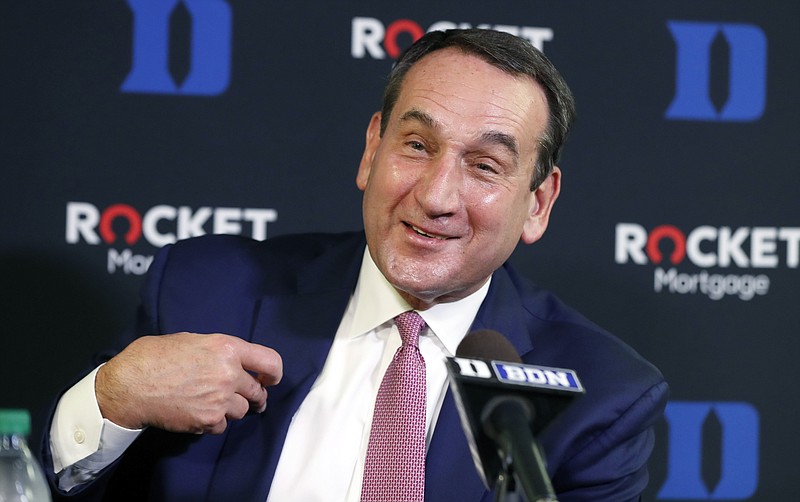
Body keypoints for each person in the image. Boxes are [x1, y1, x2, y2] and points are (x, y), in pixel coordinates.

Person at [41, 29, 668, 501]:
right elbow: (49, 483)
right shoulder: (207, 291)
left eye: (484, 166)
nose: (436, 196)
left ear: (538, 203)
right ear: (373, 150)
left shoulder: (601, 396)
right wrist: (113, 396)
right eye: (417, 146)